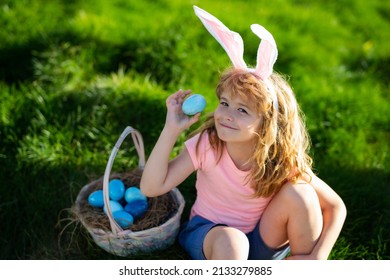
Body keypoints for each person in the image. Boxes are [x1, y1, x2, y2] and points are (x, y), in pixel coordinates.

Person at [140, 6, 346, 260]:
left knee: (301, 194)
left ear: (267, 124)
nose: (227, 114)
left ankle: (301, 265)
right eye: (224, 103)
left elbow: (336, 207)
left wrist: (318, 258)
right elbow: (151, 187)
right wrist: (171, 129)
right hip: (212, 234)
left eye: (242, 110)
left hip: (261, 237)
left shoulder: (279, 159)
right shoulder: (209, 145)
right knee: (233, 241)